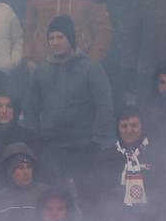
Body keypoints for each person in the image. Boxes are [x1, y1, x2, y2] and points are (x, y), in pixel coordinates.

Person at [23, 15, 113, 189]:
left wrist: (95, 142)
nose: (55, 42)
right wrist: (35, 140)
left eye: (60, 37)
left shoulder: (91, 68)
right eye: (51, 38)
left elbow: (105, 108)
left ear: (70, 38)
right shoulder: (40, 71)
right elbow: (30, 108)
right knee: (55, 198)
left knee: (86, 198)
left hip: (84, 148)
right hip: (51, 149)